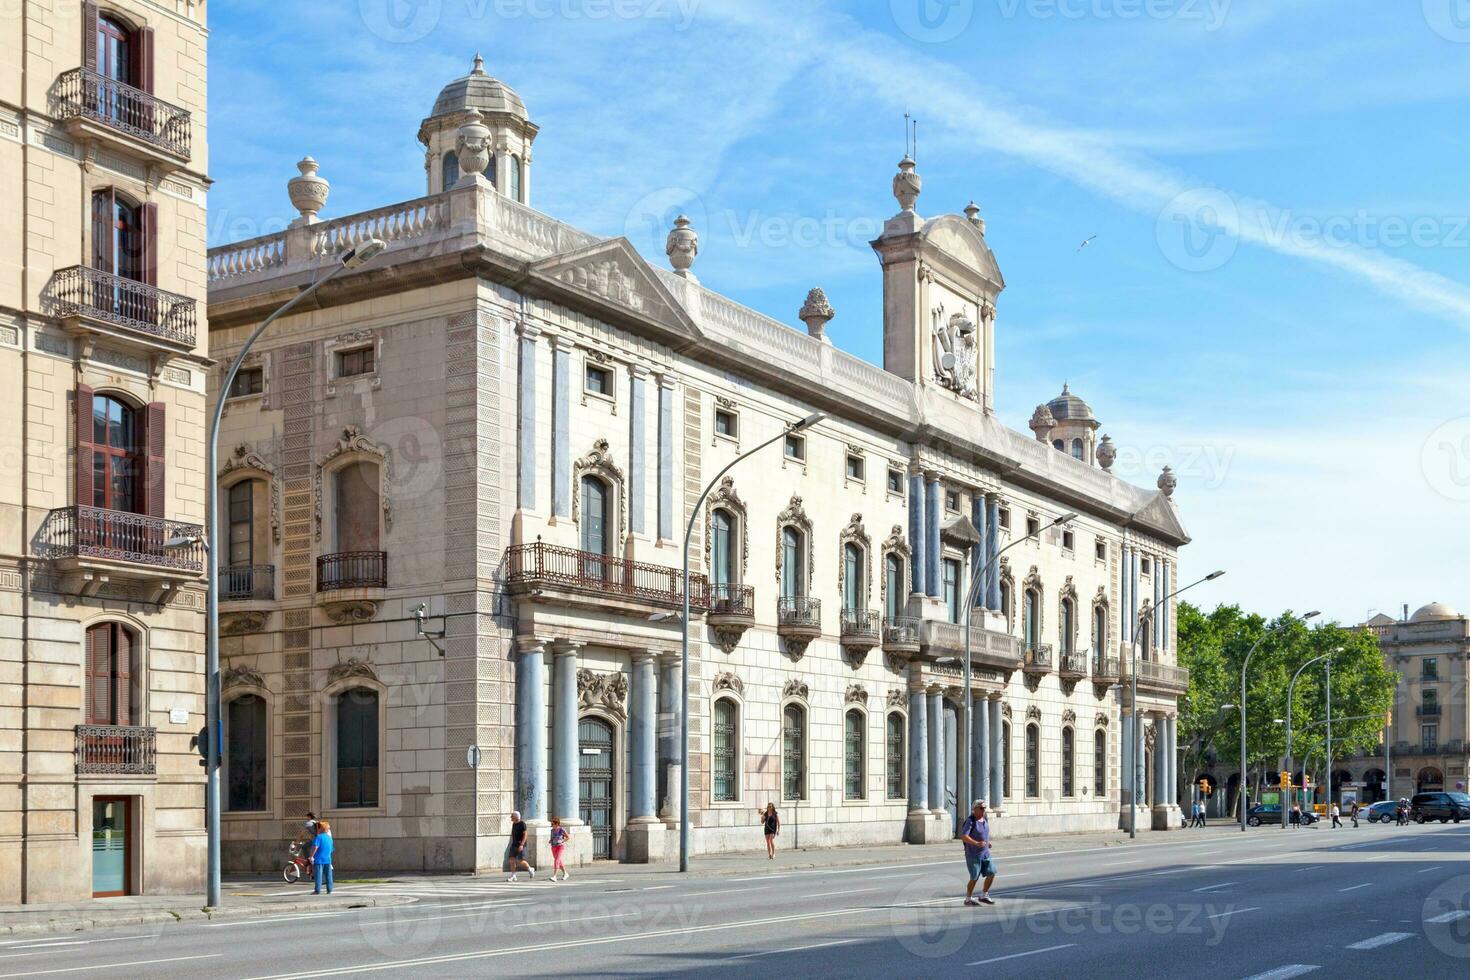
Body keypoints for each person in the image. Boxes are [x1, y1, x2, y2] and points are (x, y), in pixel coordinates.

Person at [960, 799, 997, 906]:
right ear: (975, 809)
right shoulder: (970, 820)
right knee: (974, 877)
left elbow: (984, 834)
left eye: (984, 808)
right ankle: (968, 899)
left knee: (992, 873)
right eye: (981, 808)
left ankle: (984, 895)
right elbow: (964, 836)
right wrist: (976, 843)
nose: (983, 810)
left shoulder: (984, 819)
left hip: (985, 853)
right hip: (973, 854)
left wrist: (987, 843)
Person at [506, 810, 535, 882]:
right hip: (514, 844)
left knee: (521, 860)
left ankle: (530, 869)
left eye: (512, 816)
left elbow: (525, 834)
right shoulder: (514, 824)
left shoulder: (522, 824)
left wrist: (522, 844)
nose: (511, 818)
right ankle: (513, 875)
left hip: (520, 845)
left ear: (516, 817)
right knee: (511, 859)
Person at [309, 819, 334, 895]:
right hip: (328, 859)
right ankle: (329, 889)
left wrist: (311, 856)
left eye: (318, 827)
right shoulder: (329, 838)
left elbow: (315, 847)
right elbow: (331, 849)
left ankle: (317, 890)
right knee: (328, 875)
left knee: (318, 875)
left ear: (320, 829)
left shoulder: (318, 837)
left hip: (319, 859)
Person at [549, 817, 570, 882]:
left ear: (557, 824)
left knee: (557, 860)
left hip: (560, 846)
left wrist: (562, 841)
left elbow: (568, 837)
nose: (552, 826)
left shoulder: (562, 829)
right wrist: (550, 840)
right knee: (558, 861)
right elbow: (551, 838)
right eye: (552, 824)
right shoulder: (552, 830)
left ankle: (554, 876)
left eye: (553, 824)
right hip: (553, 847)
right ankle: (565, 873)